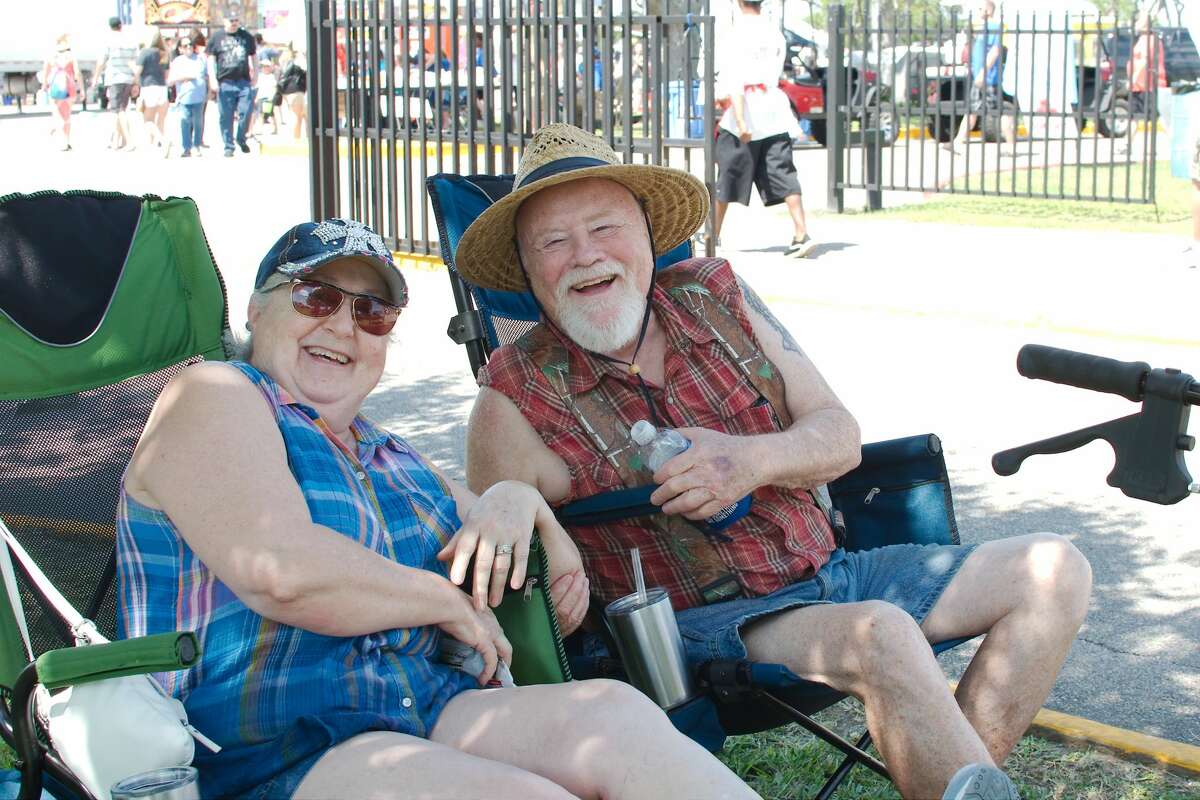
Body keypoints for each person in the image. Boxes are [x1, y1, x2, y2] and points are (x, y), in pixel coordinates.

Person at [457, 123, 1093, 800]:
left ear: (646, 236)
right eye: (553, 243)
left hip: (836, 573)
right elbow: (507, 582)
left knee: (1055, 572)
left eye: (605, 227)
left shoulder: (715, 294)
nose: (585, 256)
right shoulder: (513, 395)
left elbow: (839, 434)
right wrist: (526, 521)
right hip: (698, 636)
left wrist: (750, 461)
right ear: (528, 274)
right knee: (881, 635)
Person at [115, 217, 757, 800]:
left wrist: (524, 502)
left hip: (421, 706)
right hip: (269, 747)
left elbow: (489, 523)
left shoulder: (387, 451)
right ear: (257, 310)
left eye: (372, 313)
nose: (343, 324)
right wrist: (443, 601)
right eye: (316, 296)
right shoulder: (216, 394)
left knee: (615, 718)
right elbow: (280, 568)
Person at [712, 0, 814, 259]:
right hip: (773, 108)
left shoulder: (734, 35)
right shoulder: (774, 33)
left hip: (744, 111)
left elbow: (735, 81)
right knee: (783, 171)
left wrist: (742, 122)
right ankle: (801, 233)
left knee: (728, 174)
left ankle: (712, 235)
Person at [947, 0, 1015, 155]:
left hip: (988, 79)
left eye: (980, 8)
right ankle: (957, 142)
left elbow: (995, 51)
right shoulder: (984, 28)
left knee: (999, 111)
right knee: (972, 110)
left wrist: (983, 73)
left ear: (988, 10)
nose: (978, 12)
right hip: (981, 78)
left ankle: (1011, 146)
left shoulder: (994, 27)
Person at [206, 14, 257, 156]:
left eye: (236, 20)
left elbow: (254, 56)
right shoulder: (216, 37)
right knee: (225, 116)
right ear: (224, 21)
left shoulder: (246, 36)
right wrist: (212, 79)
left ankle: (241, 138)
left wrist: (256, 75)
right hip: (225, 81)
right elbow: (210, 59)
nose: (234, 23)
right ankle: (228, 145)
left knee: (246, 111)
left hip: (243, 81)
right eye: (231, 21)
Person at [1122, 9, 1166, 157]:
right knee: (1135, 116)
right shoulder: (1142, 38)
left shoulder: (1150, 39)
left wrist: (1133, 78)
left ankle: (1168, 146)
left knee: (1155, 117)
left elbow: (1145, 61)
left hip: (1147, 85)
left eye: (1138, 20)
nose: (1135, 23)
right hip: (1140, 86)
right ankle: (1128, 145)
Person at [90, 16, 139, 151]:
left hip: (115, 78)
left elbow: (101, 61)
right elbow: (136, 62)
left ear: (110, 27)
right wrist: (136, 82)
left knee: (118, 110)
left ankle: (129, 141)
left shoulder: (109, 41)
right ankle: (116, 141)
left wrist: (95, 77)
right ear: (120, 25)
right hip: (128, 78)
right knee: (121, 109)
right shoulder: (131, 41)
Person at [167, 35, 207, 157]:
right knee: (185, 122)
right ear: (180, 49)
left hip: (199, 96)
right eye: (185, 45)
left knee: (198, 122)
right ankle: (186, 147)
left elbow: (202, 75)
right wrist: (185, 77)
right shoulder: (177, 61)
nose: (188, 47)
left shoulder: (200, 59)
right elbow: (170, 80)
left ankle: (197, 146)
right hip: (184, 96)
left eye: (190, 44)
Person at [42, 34, 82, 151]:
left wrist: (44, 85)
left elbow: (45, 73)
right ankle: (66, 141)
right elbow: (78, 73)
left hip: (55, 88)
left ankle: (59, 136)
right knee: (67, 116)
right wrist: (81, 88)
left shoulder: (50, 57)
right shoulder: (71, 56)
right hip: (69, 88)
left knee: (57, 114)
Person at [134, 31, 170, 151]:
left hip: (149, 86)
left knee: (147, 119)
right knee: (160, 118)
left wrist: (131, 66)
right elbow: (167, 74)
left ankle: (162, 140)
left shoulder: (145, 52)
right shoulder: (164, 54)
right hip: (162, 87)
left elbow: (137, 71)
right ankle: (156, 145)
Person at [277, 47, 307, 140]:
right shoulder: (298, 61)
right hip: (296, 90)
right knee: (298, 115)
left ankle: (295, 137)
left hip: (286, 91)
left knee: (294, 114)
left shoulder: (284, 62)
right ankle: (296, 138)